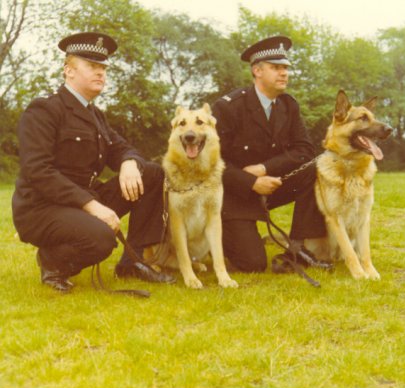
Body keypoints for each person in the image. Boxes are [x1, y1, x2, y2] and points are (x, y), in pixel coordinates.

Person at [12, 32, 175, 293]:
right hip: (42, 207)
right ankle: (52, 260)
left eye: (103, 67)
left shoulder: (95, 114)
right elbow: (38, 171)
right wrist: (93, 207)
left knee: (152, 173)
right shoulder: (44, 109)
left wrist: (130, 163)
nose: (100, 73)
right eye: (91, 66)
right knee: (102, 238)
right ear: (69, 71)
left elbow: (122, 148)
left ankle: (133, 263)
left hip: (82, 201)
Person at [211, 36, 332, 273]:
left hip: (272, 185)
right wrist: (251, 182)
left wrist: (265, 169)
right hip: (234, 194)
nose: (284, 73)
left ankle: (297, 248)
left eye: (285, 68)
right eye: (276, 68)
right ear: (257, 71)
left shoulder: (288, 105)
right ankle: (219, 238)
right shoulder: (228, 107)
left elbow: (305, 150)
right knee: (253, 264)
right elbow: (213, 162)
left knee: (317, 167)